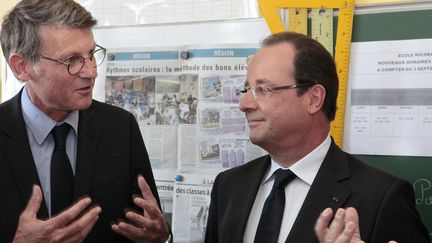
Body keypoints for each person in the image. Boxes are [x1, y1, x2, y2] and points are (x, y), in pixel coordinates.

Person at [204, 31, 429, 243]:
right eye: (246, 90)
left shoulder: (381, 197)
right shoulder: (229, 185)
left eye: (264, 90)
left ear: (314, 99)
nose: (245, 104)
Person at [0, 0, 170, 242]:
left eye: (91, 54)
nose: (91, 71)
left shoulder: (121, 128)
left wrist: (163, 237)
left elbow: (149, 227)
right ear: (22, 67)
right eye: (71, 60)